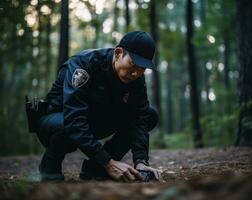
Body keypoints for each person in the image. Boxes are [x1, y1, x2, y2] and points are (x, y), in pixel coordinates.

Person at [36, 31, 163, 182]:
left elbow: (140, 118)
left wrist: (141, 161)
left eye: (143, 68)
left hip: (94, 120)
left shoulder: (136, 79)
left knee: (149, 115)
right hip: (57, 121)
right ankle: (50, 165)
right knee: (68, 123)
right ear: (118, 53)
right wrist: (107, 161)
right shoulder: (84, 64)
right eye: (133, 64)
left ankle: (96, 168)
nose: (136, 73)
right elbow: (74, 118)